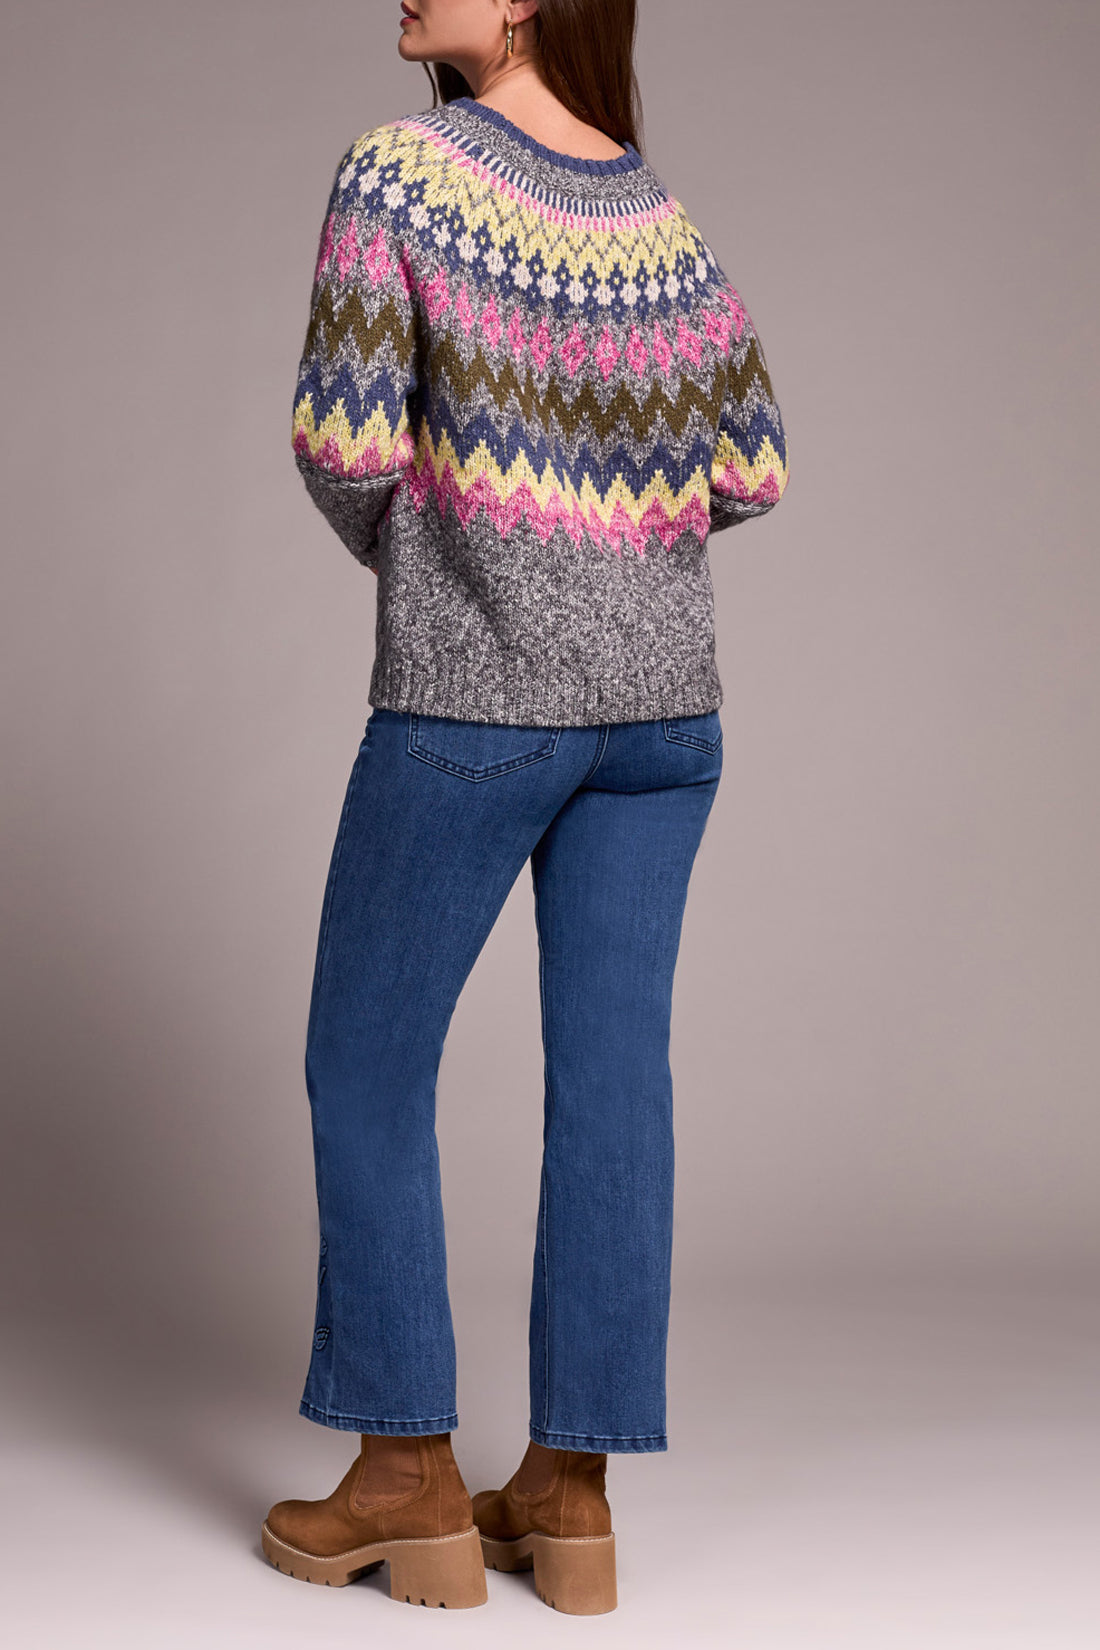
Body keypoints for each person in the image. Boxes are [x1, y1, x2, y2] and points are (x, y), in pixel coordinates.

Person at [261, 0, 789, 1615]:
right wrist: (612, 551)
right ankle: (570, 1496)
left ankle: (405, 1472)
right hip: (665, 722)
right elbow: (752, 464)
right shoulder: (661, 218)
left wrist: (458, 563)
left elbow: (344, 444)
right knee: (615, 1085)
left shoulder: (402, 175)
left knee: (366, 1066)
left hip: (474, 705)